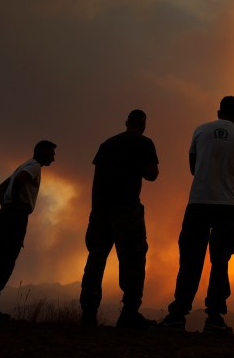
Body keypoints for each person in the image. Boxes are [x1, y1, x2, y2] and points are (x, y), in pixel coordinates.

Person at [161, 96, 234, 333]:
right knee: (220, 262)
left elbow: (194, 167)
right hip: (228, 205)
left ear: (218, 111)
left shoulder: (200, 131)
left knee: (190, 259)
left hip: (199, 201)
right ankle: (214, 319)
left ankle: (177, 315)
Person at [79, 109, 159, 328]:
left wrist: (94, 211)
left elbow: (96, 180)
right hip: (127, 211)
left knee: (96, 259)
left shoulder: (107, 144)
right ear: (143, 125)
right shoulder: (144, 143)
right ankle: (129, 313)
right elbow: (152, 174)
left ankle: (88, 313)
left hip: (101, 210)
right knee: (133, 261)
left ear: (126, 123)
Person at [0, 140, 58, 317]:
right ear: (41, 152)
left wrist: (6, 207)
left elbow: (1, 187)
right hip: (15, 216)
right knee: (6, 259)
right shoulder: (34, 167)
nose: (53, 159)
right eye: (51, 154)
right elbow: (18, 181)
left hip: (4, 215)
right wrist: (15, 209)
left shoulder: (24, 165)